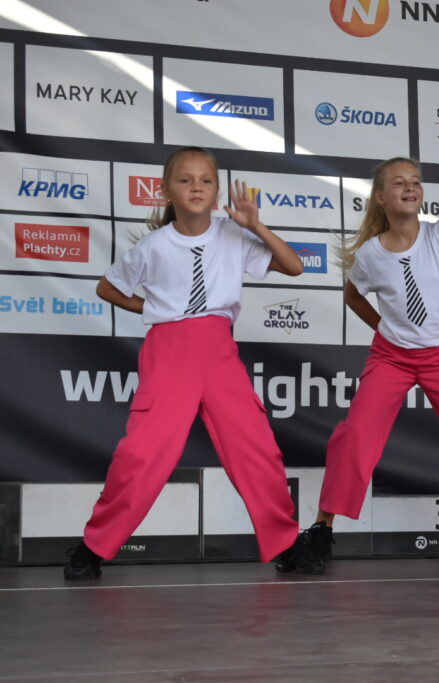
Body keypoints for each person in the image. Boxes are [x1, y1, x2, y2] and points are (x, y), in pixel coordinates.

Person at [64, 146, 305, 580]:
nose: (197, 187)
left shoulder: (233, 235)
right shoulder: (154, 246)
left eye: (206, 180)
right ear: (165, 190)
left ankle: (285, 544)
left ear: (216, 192)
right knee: (142, 454)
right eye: (185, 180)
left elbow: (295, 267)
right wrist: (154, 308)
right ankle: (94, 546)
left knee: (256, 448)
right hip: (169, 351)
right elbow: (107, 287)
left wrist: (255, 225)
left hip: (219, 350)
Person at [279, 158, 439, 574]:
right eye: (399, 183)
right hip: (392, 357)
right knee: (355, 436)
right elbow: (353, 296)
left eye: (415, 181)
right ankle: (322, 529)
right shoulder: (370, 255)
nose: (410, 187)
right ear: (381, 197)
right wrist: (384, 328)